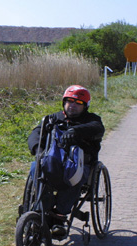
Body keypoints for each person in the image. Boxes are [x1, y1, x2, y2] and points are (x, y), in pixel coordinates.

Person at [27, 85, 105, 236]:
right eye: (69, 101)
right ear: (64, 102)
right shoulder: (53, 119)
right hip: (53, 161)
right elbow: (36, 133)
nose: (73, 106)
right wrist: (38, 149)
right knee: (36, 167)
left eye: (78, 103)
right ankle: (43, 209)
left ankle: (59, 217)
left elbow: (97, 129)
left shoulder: (92, 120)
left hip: (80, 164)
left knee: (74, 175)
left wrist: (76, 131)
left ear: (85, 106)